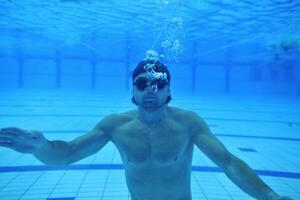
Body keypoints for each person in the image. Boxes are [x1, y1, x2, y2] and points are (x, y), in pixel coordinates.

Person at [0, 50, 294, 200]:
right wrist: (41, 147)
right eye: (143, 83)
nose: (150, 90)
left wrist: (268, 195)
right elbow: (66, 154)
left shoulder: (189, 123)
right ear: (133, 91)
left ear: (169, 90)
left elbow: (228, 162)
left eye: (158, 83)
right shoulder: (115, 126)